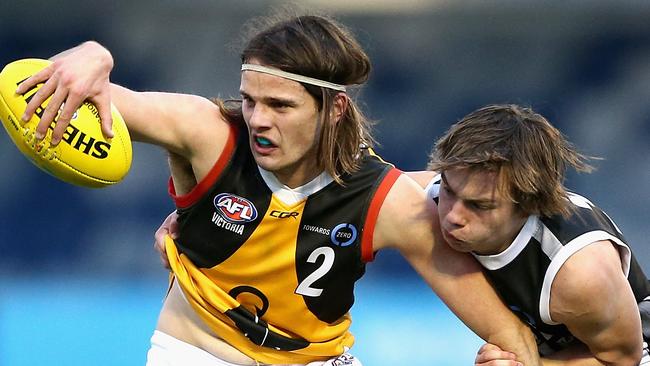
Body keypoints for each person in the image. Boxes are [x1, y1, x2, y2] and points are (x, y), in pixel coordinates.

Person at [16, 13, 540, 366]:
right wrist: (92, 54)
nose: (259, 120)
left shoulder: (389, 202)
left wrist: (509, 359)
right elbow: (101, 93)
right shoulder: (206, 132)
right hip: (195, 354)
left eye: (281, 106)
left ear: (334, 109)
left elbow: (508, 337)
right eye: (250, 100)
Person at [408, 104, 650, 365]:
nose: (453, 216)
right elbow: (372, 190)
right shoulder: (425, 196)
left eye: (480, 205)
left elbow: (623, 358)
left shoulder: (578, 270)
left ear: (529, 205)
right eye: (448, 189)